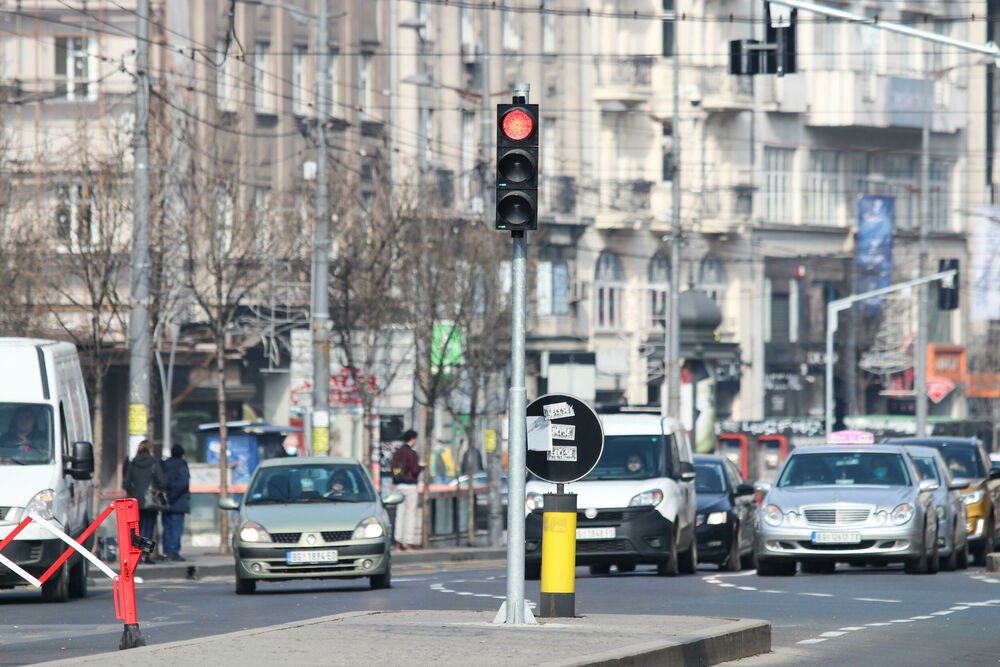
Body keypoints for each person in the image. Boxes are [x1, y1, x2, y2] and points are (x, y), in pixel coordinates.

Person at [123, 440, 166, 564]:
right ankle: (145, 556)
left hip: (135, 501)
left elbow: (126, 483)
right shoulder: (153, 463)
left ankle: (134, 554)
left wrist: (133, 493)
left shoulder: (132, 463)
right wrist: (159, 490)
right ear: (150, 449)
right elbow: (162, 481)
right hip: (150, 501)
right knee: (148, 529)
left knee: (136, 528)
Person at [390, 429, 423, 551]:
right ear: (413, 439)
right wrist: (421, 467)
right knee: (410, 514)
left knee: (400, 514)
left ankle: (398, 542)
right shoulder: (412, 454)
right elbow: (414, 470)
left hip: (399, 486)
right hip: (410, 486)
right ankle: (409, 542)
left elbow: (393, 468)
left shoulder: (397, 453)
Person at [161, 444, 191, 562]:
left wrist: (167, 498)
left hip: (165, 502)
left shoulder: (165, 464)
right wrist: (172, 497)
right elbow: (183, 484)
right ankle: (174, 552)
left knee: (167, 528)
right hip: (178, 503)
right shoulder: (182, 465)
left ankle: (167, 551)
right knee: (176, 529)